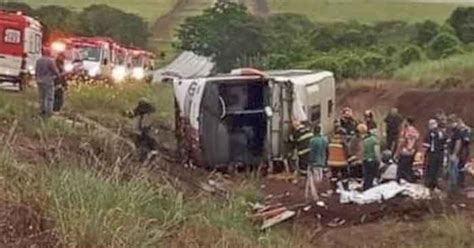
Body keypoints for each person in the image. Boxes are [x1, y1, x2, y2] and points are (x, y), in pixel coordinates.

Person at [306, 125, 328, 202]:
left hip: (314, 162)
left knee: (312, 180)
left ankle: (313, 196)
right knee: (319, 178)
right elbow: (326, 151)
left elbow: (311, 152)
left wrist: (310, 161)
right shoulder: (324, 140)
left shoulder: (312, 140)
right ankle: (316, 194)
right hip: (322, 161)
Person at [422, 119, 447, 190]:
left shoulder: (430, 132)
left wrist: (424, 154)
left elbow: (426, 145)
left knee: (431, 169)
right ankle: (437, 183)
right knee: (438, 169)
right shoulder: (443, 132)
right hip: (441, 154)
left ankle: (430, 184)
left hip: (432, 154)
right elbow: (446, 143)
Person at [35, 49, 60, 117]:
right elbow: (55, 71)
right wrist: (58, 75)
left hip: (39, 80)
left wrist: (36, 78)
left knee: (41, 97)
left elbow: (36, 71)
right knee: (49, 97)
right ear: (48, 53)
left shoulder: (38, 60)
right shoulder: (50, 61)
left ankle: (41, 110)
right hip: (48, 81)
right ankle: (48, 112)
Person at [396, 117, 420, 183]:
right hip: (411, 152)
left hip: (404, 152)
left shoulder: (405, 131)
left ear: (407, 122)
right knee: (409, 168)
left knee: (401, 169)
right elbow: (417, 142)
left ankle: (400, 182)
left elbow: (402, 142)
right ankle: (410, 181)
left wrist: (397, 152)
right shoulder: (415, 131)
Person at [361, 123, 381, 190]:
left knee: (366, 175)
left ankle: (365, 187)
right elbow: (376, 151)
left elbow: (362, 150)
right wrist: (379, 161)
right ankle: (369, 189)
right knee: (371, 176)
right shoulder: (375, 140)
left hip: (365, 159)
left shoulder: (365, 140)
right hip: (372, 160)